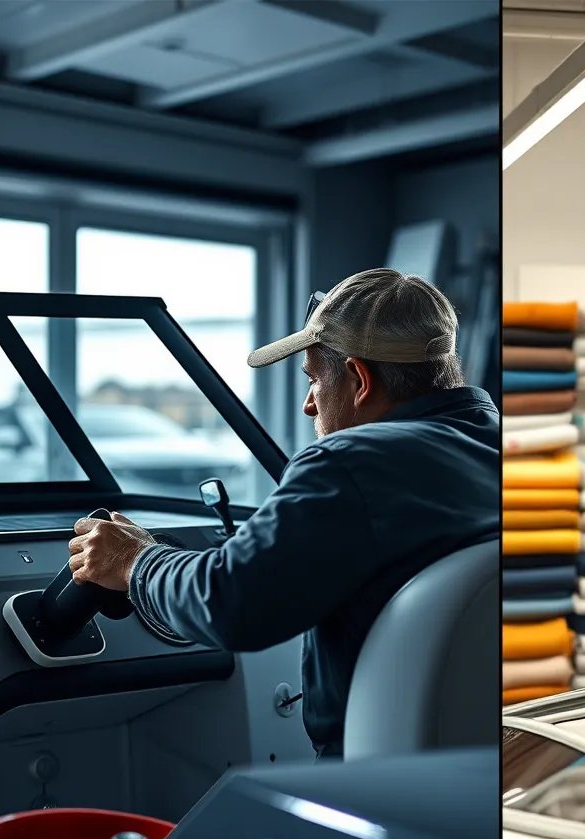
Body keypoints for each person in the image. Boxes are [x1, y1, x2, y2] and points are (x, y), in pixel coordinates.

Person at [67, 268, 499, 760]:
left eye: (314, 379)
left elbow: (230, 602)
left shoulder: (350, 462)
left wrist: (135, 561)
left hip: (377, 786)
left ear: (359, 379)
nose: (308, 405)